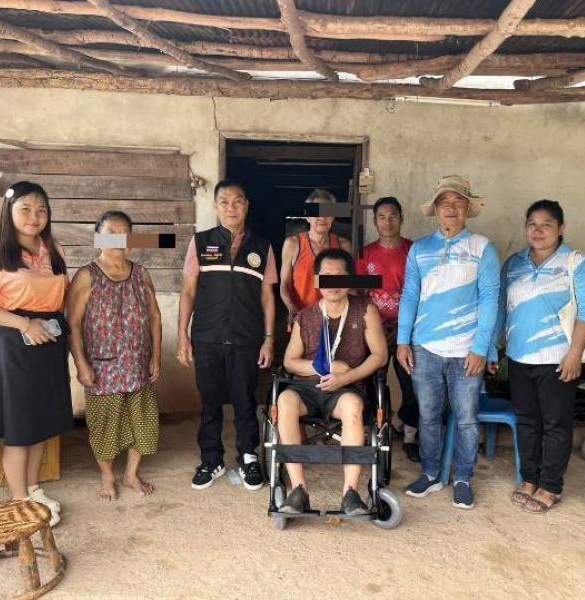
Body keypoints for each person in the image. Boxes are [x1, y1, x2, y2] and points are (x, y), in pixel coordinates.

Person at [0, 181, 73, 526]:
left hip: (49, 340)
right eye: (25, 209)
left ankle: (34, 489)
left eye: (41, 210)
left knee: (41, 422)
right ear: (9, 210)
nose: (34, 217)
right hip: (13, 342)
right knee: (19, 425)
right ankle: (19, 500)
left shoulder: (54, 249)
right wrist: (25, 324)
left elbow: (62, 296)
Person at [491, 200, 585, 513]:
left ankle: (551, 485)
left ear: (561, 228)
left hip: (558, 358)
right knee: (527, 421)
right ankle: (529, 478)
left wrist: (575, 353)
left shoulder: (577, 264)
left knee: (556, 424)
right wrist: (493, 347)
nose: (538, 231)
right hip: (519, 357)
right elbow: (501, 308)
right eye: (532, 225)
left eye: (546, 225)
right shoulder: (514, 264)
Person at [397, 175, 500, 510]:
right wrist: (402, 341)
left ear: (467, 209)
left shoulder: (482, 248)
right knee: (428, 416)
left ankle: (463, 478)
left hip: (466, 350)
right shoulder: (419, 249)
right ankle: (431, 474)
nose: (451, 208)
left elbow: (490, 299)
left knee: (467, 418)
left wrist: (481, 347)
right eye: (444, 203)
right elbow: (409, 295)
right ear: (436, 210)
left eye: (458, 203)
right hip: (424, 348)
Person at [177, 180, 277, 492]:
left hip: (247, 337)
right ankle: (211, 459)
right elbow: (189, 292)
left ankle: (248, 457)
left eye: (237, 201)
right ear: (215, 206)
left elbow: (268, 297)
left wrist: (269, 338)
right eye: (224, 202)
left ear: (246, 205)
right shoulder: (201, 242)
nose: (231, 208)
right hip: (207, 336)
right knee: (210, 402)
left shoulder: (262, 247)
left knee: (245, 400)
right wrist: (182, 336)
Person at [277, 248, 387, 515]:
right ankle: (298, 489)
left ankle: (350, 493)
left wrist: (345, 376)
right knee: (284, 400)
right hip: (308, 388)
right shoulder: (306, 316)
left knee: (353, 407)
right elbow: (290, 361)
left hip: (346, 389)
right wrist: (323, 367)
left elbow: (380, 356)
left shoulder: (365, 310)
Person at [66, 210, 162, 501]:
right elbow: (73, 323)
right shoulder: (86, 275)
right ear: (98, 238)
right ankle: (107, 476)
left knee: (143, 424)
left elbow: (155, 317)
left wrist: (156, 357)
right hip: (102, 369)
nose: (119, 240)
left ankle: (131, 474)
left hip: (138, 366)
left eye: (124, 234)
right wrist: (80, 363)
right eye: (111, 234)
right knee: (104, 427)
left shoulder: (141, 273)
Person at [357, 196, 419, 462]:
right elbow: (360, 295)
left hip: (408, 331)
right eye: (381, 217)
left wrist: (403, 329)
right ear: (375, 222)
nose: (387, 221)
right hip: (376, 331)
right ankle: (377, 430)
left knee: (412, 384)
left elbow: (421, 291)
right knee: (373, 383)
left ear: (401, 218)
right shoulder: (366, 254)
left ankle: (409, 433)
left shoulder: (413, 251)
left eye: (393, 215)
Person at [280, 189, 352, 327]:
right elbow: (284, 284)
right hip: (302, 319)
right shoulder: (293, 244)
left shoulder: (344, 245)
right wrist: (292, 309)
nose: (322, 217)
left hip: (336, 321)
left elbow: (350, 285)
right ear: (307, 216)